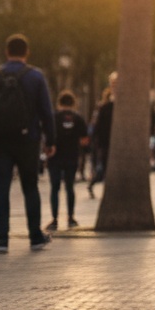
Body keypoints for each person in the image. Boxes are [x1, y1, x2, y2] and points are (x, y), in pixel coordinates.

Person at [0, 33, 58, 252]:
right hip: (28, 139)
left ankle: (1, 240)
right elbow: (46, 111)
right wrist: (50, 140)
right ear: (27, 52)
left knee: (1, 188)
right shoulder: (35, 77)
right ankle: (35, 236)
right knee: (30, 186)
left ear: (7, 52)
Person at [46, 90, 88, 231]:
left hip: (55, 157)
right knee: (70, 187)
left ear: (59, 103)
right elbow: (84, 140)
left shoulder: (53, 117)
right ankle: (70, 218)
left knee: (55, 188)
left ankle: (54, 220)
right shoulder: (78, 118)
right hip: (72, 157)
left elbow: (46, 135)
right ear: (73, 103)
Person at [88, 74, 116, 198]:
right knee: (105, 167)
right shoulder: (105, 106)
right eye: (113, 84)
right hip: (106, 142)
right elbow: (98, 126)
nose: (114, 86)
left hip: (118, 143)